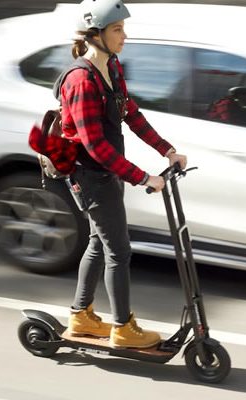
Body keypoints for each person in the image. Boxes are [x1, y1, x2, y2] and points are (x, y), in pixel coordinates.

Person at [59, 0, 187, 349]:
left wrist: (167, 150)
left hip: (107, 173)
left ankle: (80, 316)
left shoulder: (111, 67)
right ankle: (122, 328)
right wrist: (143, 178)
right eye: (117, 29)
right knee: (119, 251)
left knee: (99, 242)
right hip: (90, 176)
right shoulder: (81, 81)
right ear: (95, 35)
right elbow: (95, 146)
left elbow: (130, 113)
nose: (124, 36)